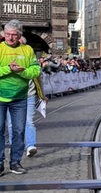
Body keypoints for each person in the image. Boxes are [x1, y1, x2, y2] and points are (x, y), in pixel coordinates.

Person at [0, 20, 41, 175]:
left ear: (19, 35)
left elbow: (36, 70)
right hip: (0, 97)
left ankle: (15, 162)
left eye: (14, 35)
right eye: (7, 34)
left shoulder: (27, 50)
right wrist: (8, 69)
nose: (10, 38)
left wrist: (22, 72)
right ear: (4, 34)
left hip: (20, 98)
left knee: (18, 131)